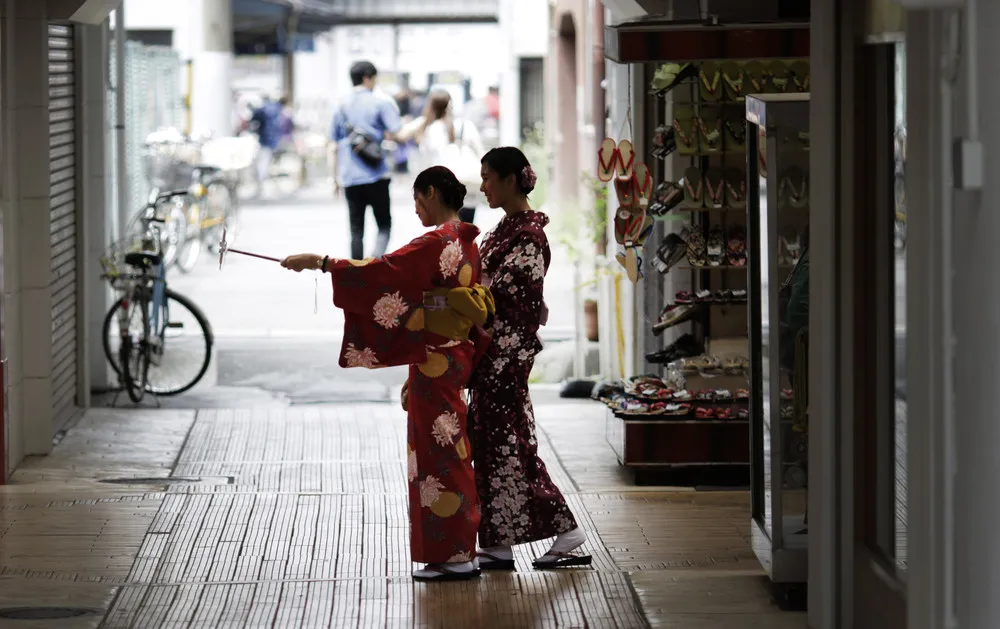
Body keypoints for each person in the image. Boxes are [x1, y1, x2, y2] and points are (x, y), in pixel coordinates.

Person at [280, 166, 495, 583]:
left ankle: (453, 555)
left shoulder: (437, 240)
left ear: (431, 193)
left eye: (417, 200)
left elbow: (384, 270)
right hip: (452, 355)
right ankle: (461, 550)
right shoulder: (466, 240)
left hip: (437, 357)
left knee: (439, 457)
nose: (415, 210)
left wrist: (322, 263)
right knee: (453, 450)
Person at [468, 147, 592, 570]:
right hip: (492, 354)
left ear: (508, 179)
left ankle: (566, 528)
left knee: (507, 444)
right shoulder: (507, 229)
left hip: (505, 355)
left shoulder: (528, 236)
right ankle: (499, 543)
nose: (482, 186)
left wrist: (466, 301)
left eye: (487, 177)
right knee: (492, 443)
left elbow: (507, 300)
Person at [329, 61, 402, 260]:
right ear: (367, 77)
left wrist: (334, 179)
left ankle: (356, 273)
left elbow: (333, 145)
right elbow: (398, 132)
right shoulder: (381, 102)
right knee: (384, 225)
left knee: (356, 231)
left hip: (350, 178)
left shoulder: (340, 105)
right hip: (377, 175)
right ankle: (375, 261)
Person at [397, 90, 485, 224]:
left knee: (445, 233)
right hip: (466, 184)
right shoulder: (464, 125)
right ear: (450, 105)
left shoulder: (426, 127)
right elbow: (481, 153)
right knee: (466, 230)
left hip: (441, 189)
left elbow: (401, 135)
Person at [250, 95, 289, 194]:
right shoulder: (276, 109)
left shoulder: (264, 108)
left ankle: (260, 187)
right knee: (265, 163)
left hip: (263, 140)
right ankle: (263, 186)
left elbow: (254, 120)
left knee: (261, 164)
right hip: (273, 141)